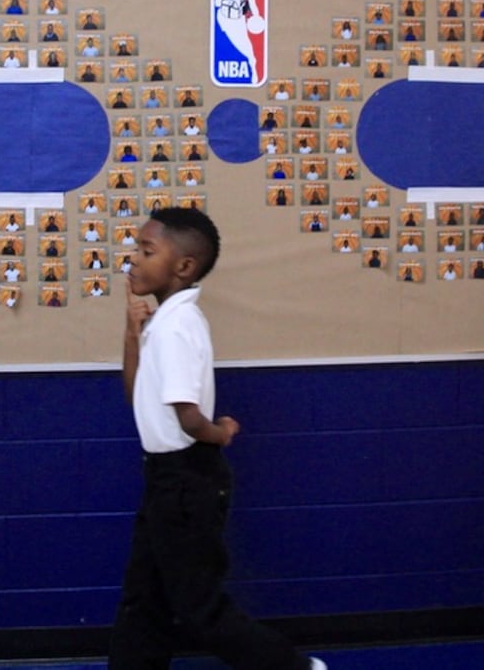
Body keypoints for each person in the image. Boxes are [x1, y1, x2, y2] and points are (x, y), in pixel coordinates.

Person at [109, 207, 326, 670]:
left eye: (147, 251)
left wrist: (220, 432)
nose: (133, 259)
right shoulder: (163, 324)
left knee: (198, 608)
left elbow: (189, 418)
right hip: (167, 478)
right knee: (143, 599)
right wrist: (132, 332)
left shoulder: (179, 326)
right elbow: (135, 396)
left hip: (187, 478)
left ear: (183, 267)